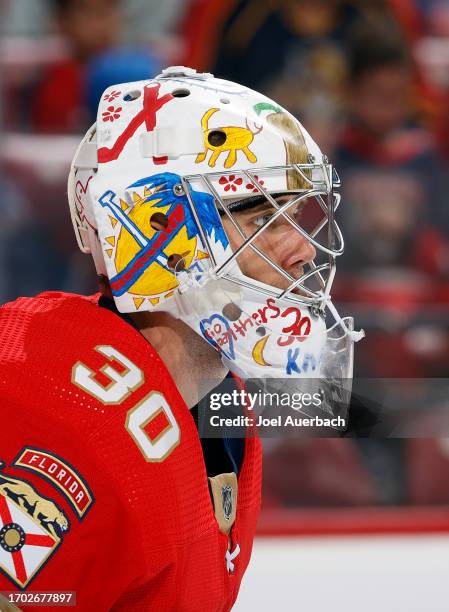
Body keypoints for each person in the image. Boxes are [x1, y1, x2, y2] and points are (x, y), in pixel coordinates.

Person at [0, 66, 359, 609]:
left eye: (296, 213)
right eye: (261, 216)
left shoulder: (224, 405)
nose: (304, 248)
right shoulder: (45, 410)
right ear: (158, 230)